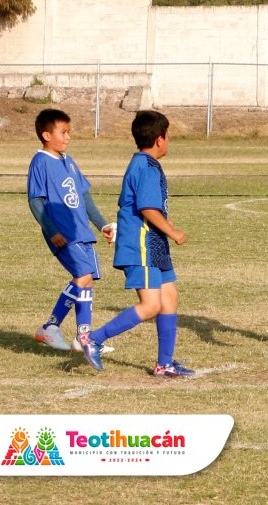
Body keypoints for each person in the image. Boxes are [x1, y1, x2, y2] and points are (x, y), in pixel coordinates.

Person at [78, 110, 193, 377]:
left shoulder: (143, 163)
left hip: (153, 243)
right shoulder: (147, 166)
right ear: (160, 139)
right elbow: (148, 209)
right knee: (151, 305)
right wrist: (173, 232)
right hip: (141, 243)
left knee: (169, 297)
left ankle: (165, 364)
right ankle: (94, 338)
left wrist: (166, 232)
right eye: (168, 137)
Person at [28, 109, 116, 354]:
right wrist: (51, 229)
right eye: (62, 132)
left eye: (69, 132)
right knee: (83, 276)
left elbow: (84, 197)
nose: (67, 137)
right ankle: (53, 327)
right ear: (46, 135)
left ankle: (81, 336)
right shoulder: (40, 162)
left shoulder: (69, 161)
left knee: (86, 281)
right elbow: (36, 200)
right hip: (64, 233)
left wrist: (102, 224)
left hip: (82, 231)